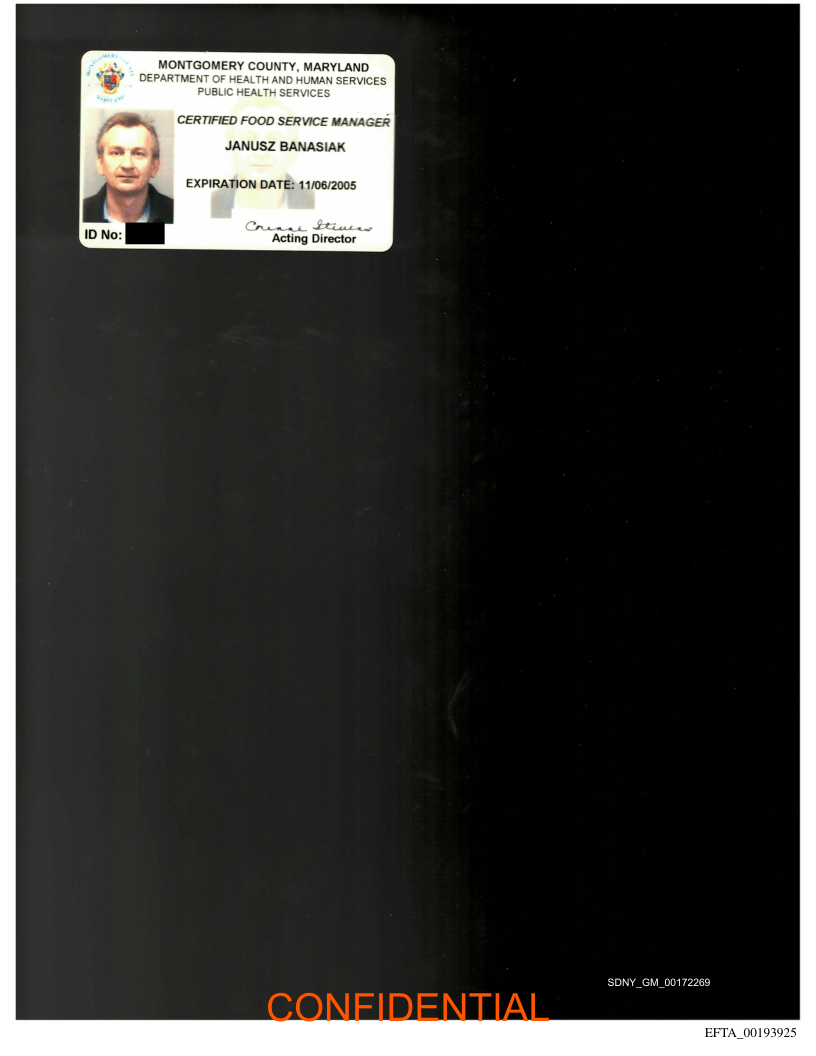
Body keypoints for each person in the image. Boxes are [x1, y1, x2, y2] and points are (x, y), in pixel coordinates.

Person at [211, 97, 314, 217]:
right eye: (248, 139)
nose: (261, 152)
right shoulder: (208, 207)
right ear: (230, 150)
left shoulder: (316, 205)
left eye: (274, 140)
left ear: (293, 153)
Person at [83, 112, 174, 223]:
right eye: (116, 153)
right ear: (100, 164)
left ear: (154, 167)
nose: (127, 165)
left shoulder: (179, 215)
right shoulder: (77, 213)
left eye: (138, 153)